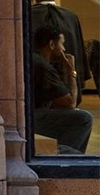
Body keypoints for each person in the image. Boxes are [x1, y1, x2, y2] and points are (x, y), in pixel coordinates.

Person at [32, 17, 93, 154]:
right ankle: (68, 157)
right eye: (62, 44)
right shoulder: (42, 66)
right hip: (33, 119)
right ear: (52, 44)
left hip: (30, 117)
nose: (64, 49)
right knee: (84, 118)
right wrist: (72, 71)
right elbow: (71, 102)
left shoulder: (35, 59)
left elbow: (60, 99)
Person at [31, 0, 90, 102]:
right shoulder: (71, 17)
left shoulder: (26, 16)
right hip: (68, 86)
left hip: (36, 92)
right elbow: (79, 54)